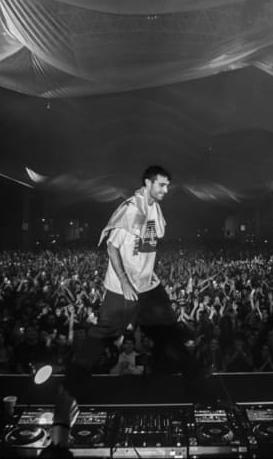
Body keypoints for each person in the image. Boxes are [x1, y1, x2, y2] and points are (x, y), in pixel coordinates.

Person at [65, 166, 202, 397]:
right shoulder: (131, 209)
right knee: (105, 332)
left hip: (147, 284)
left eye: (167, 185)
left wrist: (148, 271)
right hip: (123, 288)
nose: (166, 190)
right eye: (161, 185)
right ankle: (72, 383)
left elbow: (147, 243)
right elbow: (112, 247)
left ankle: (190, 378)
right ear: (148, 183)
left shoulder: (153, 208)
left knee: (168, 329)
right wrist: (125, 281)